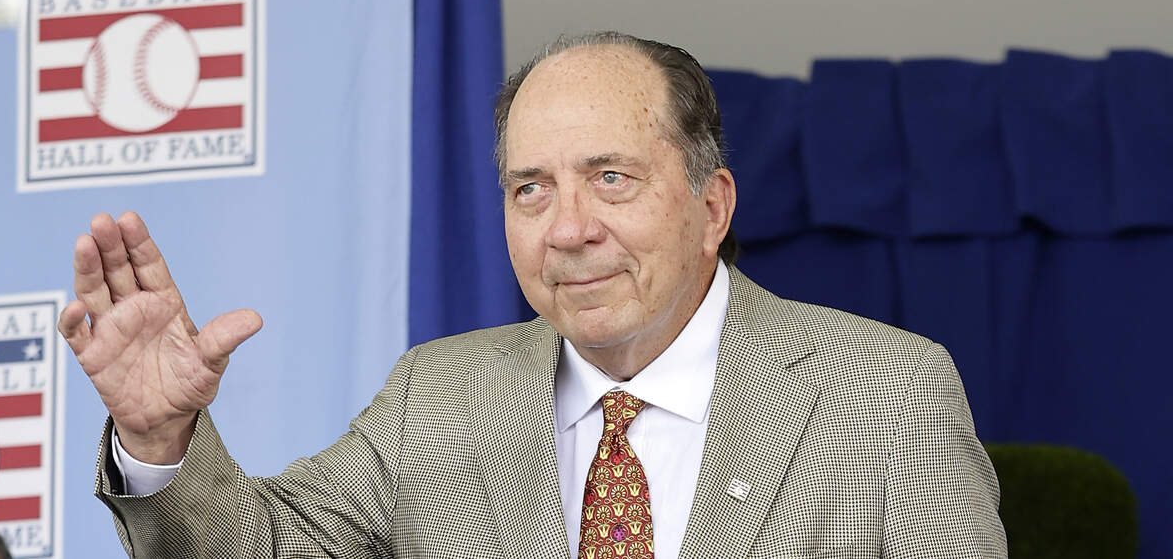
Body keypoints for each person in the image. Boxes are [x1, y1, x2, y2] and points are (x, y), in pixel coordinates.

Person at [60, 32, 1007, 558]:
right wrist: (160, 440)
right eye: (531, 189)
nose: (568, 227)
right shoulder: (435, 397)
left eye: (611, 178)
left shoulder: (889, 393)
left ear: (711, 206)